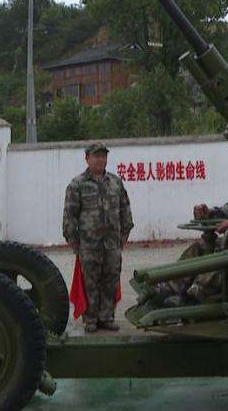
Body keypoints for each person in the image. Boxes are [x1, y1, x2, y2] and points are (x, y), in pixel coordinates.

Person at [152, 178, 228, 307]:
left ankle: (193, 296)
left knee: (222, 253)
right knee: (199, 247)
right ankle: (170, 287)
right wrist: (210, 213)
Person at [62, 142, 134, 333]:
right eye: (97, 156)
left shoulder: (115, 182)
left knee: (110, 280)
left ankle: (107, 317)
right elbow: (69, 215)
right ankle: (91, 319)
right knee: (90, 282)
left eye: (103, 155)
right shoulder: (77, 184)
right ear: (87, 158)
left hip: (112, 244)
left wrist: (124, 234)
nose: (101, 159)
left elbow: (125, 209)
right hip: (88, 245)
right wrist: (73, 241)